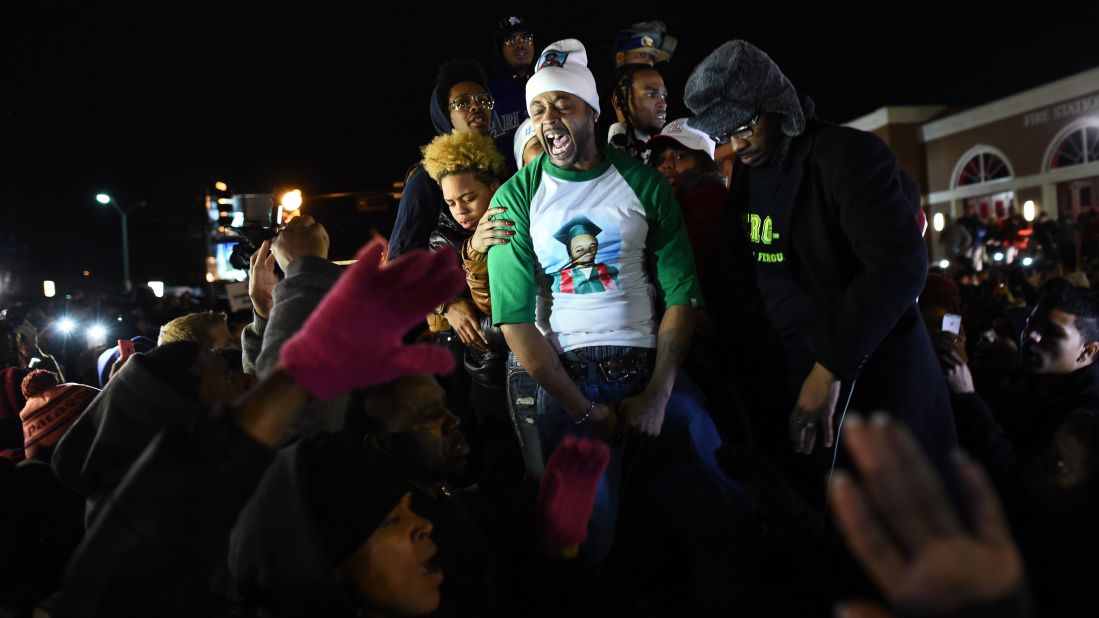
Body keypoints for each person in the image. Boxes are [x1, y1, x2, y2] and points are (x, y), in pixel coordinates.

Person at [487, 38, 748, 615]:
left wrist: (657, 394)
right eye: (537, 109)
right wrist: (580, 408)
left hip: (652, 371)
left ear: (592, 111)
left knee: (717, 506)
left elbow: (682, 294)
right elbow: (514, 323)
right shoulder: (514, 198)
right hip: (569, 381)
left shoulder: (646, 184)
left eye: (563, 105)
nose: (549, 118)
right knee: (582, 539)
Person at [684, 40, 957, 502]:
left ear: (778, 106)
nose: (737, 143)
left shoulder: (847, 156)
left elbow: (899, 265)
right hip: (781, 381)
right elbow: (739, 267)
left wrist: (827, 368)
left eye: (746, 126)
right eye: (726, 133)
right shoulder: (750, 169)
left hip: (860, 390)